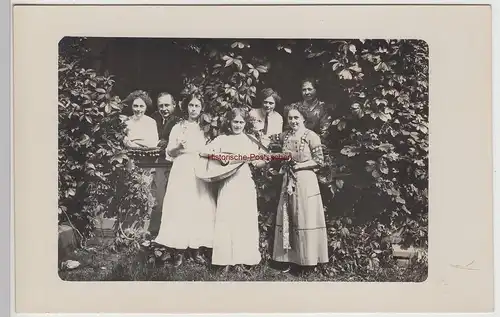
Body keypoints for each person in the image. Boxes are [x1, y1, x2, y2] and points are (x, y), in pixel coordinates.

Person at [153, 93, 217, 267]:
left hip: (198, 171)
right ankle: (178, 251)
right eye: (191, 105)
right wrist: (179, 147)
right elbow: (170, 153)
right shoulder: (178, 127)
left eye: (197, 106)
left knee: (198, 208)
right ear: (186, 107)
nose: (194, 109)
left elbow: (210, 151)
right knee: (179, 209)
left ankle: (196, 250)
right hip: (181, 171)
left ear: (201, 108)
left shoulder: (206, 129)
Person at [204, 108, 267, 273]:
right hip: (228, 181)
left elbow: (257, 163)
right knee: (226, 219)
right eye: (235, 122)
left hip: (244, 181)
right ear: (229, 122)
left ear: (245, 124)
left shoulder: (250, 140)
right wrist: (223, 159)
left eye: (241, 122)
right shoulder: (222, 139)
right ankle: (224, 261)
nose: (238, 125)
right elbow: (205, 151)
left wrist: (265, 159)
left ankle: (241, 260)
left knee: (244, 220)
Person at [270, 105, 329, 273]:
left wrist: (299, 166)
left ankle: (308, 262)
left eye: (296, 118)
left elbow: (319, 161)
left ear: (303, 118)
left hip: (306, 182)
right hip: (288, 180)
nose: (293, 121)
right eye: (290, 118)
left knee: (305, 217)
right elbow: (268, 139)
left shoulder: (312, 136)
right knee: (289, 216)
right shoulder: (285, 136)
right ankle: (290, 260)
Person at [148, 92, 181, 238]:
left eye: (167, 105)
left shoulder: (179, 121)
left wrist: (165, 143)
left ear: (174, 105)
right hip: (157, 163)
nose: (164, 108)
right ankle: (156, 231)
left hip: (174, 163)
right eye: (161, 105)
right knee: (158, 197)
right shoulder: (153, 119)